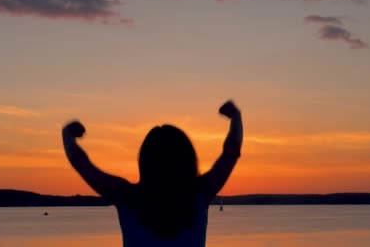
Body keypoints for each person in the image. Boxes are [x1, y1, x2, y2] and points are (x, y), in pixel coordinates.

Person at [62, 100, 243, 247]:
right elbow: (231, 152)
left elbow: (81, 164)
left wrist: (68, 135)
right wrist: (236, 116)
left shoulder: (127, 197)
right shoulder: (199, 194)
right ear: (188, 160)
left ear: (145, 161)